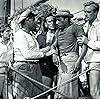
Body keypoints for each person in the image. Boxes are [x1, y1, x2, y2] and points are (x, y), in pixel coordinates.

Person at [13, 9, 49, 99]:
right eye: (33, 20)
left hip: (35, 68)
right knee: (24, 96)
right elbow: (27, 54)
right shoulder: (20, 35)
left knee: (37, 96)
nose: (35, 22)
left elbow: (35, 51)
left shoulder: (30, 35)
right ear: (28, 20)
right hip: (25, 68)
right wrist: (44, 55)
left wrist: (49, 48)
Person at [54, 10, 85, 99]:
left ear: (66, 19)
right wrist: (54, 54)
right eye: (56, 20)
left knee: (68, 89)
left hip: (71, 60)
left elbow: (84, 45)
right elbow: (53, 45)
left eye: (59, 20)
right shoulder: (58, 31)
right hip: (61, 62)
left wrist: (79, 61)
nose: (57, 23)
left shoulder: (75, 28)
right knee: (61, 90)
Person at [77, 1, 100, 99]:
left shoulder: (99, 26)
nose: (86, 14)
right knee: (92, 92)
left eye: (89, 12)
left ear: (95, 12)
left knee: (94, 92)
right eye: (85, 12)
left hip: (96, 61)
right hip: (87, 61)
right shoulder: (85, 25)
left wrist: (87, 42)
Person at [37, 14, 58, 98]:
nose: (52, 23)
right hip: (45, 65)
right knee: (45, 91)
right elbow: (38, 52)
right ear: (45, 24)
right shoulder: (40, 36)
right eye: (49, 21)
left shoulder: (60, 34)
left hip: (58, 65)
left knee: (59, 90)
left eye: (53, 21)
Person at [0, 26, 13, 98]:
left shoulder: (12, 44)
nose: (10, 33)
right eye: (7, 31)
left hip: (9, 74)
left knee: (9, 96)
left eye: (10, 31)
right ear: (1, 33)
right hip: (0, 73)